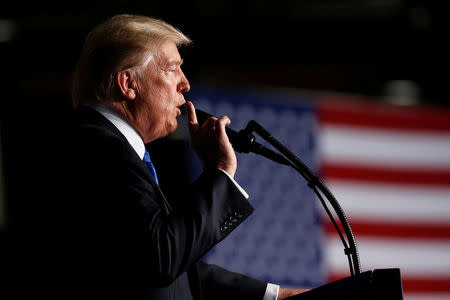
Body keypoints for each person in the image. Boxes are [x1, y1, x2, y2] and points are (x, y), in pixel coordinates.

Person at [42, 14, 307, 300]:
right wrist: (220, 172)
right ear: (128, 83)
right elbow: (162, 258)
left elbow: (174, 274)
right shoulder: (96, 146)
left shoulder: (116, 149)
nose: (185, 83)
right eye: (172, 69)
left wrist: (276, 295)